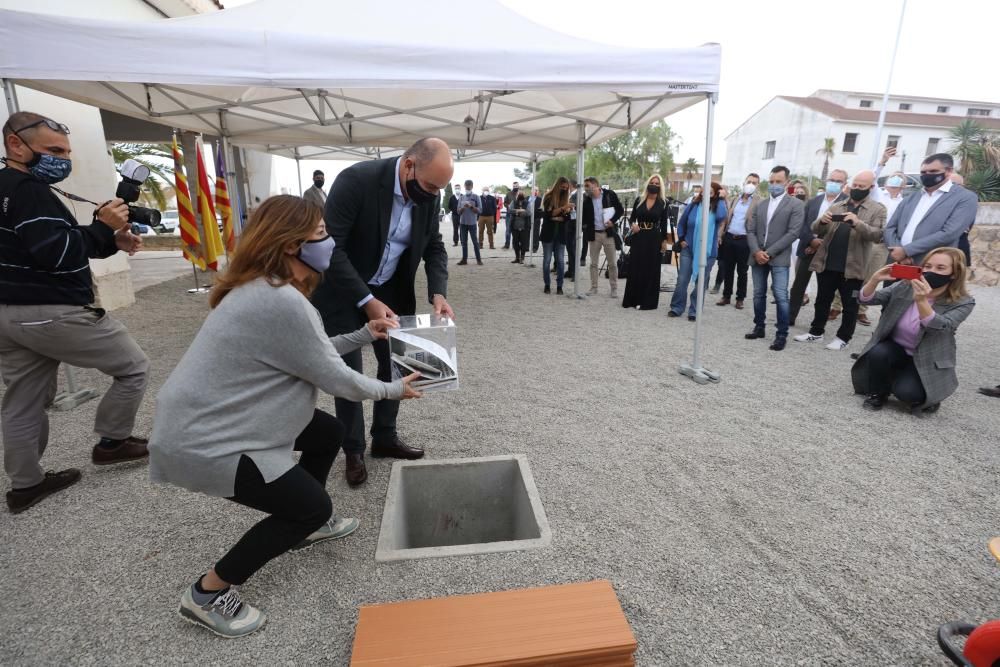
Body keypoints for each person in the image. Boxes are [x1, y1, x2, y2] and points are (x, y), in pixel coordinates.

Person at [149, 195, 423, 638]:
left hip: (221, 420)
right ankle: (208, 593)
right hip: (206, 439)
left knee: (327, 431)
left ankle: (304, 525)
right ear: (291, 245)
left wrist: (361, 333)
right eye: (320, 235)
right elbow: (340, 381)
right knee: (311, 508)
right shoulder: (280, 299)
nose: (329, 242)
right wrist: (395, 389)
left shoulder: (269, 288)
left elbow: (307, 355)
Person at [0, 111, 149, 514]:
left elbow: (49, 245)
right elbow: (58, 254)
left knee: (23, 401)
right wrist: (103, 224)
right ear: (16, 144)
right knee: (133, 367)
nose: (63, 159)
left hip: (9, 314)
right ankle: (113, 443)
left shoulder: (7, 186)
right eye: (54, 150)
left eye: (66, 151)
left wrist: (110, 239)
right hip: (52, 312)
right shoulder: (29, 190)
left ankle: (25, 485)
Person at [312, 138, 454, 487]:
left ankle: (385, 436)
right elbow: (333, 249)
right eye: (431, 186)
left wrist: (438, 291)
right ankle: (353, 449)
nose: (435, 195)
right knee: (349, 373)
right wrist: (365, 299)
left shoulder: (429, 194)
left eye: (441, 189)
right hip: (345, 292)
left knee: (396, 365)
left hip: (392, 290)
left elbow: (434, 245)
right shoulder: (355, 181)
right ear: (408, 166)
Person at [851, 247, 974, 414]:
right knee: (878, 352)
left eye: (940, 268)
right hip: (896, 349)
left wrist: (922, 301)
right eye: (928, 266)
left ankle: (923, 392)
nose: (931, 271)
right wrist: (874, 279)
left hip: (926, 357)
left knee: (908, 394)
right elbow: (867, 299)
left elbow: (941, 327)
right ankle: (878, 393)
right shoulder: (905, 285)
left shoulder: (963, 302)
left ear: (954, 273)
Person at [792, 170, 886, 351]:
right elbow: (815, 228)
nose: (857, 189)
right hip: (828, 262)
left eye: (862, 186)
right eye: (855, 185)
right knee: (822, 299)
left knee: (850, 304)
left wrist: (857, 223)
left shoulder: (878, 209)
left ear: (871, 188)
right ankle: (816, 332)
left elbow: (877, 235)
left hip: (854, 266)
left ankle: (844, 337)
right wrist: (823, 221)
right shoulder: (838, 205)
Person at [745, 165, 805, 351]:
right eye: (771, 181)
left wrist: (769, 253)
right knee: (758, 294)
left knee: (780, 296)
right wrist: (756, 252)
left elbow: (793, 232)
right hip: (757, 257)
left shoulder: (795, 205)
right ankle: (759, 326)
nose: (774, 185)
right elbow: (751, 230)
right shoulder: (760, 204)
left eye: (778, 181)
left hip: (778, 258)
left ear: (787, 182)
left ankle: (781, 334)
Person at [883, 153, 978, 267]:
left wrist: (907, 251)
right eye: (923, 172)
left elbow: (949, 233)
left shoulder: (965, 198)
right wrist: (897, 251)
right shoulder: (911, 198)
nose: (927, 175)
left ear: (948, 171)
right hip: (898, 263)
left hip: (932, 266)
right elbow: (890, 227)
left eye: (933, 171)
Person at [789, 169, 848, 326]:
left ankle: (817, 324)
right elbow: (802, 225)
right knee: (798, 286)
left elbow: (842, 230)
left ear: (844, 184)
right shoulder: (814, 201)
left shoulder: (847, 203)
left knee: (825, 290)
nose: (834, 183)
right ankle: (789, 317)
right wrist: (811, 241)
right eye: (832, 179)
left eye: (838, 181)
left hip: (830, 253)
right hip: (807, 249)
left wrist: (819, 244)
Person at [669, 182, 728, 320]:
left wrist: (721, 199)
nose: (706, 194)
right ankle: (677, 307)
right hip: (688, 249)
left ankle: (694, 311)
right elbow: (682, 223)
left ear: (716, 194)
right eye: (704, 191)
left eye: (711, 192)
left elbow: (721, 217)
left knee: (701, 282)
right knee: (682, 279)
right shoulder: (693, 206)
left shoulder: (718, 207)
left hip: (708, 252)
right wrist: (682, 238)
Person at [622, 174, 670, 310]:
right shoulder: (639, 200)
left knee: (650, 269)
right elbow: (631, 219)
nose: (654, 185)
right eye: (652, 182)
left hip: (654, 237)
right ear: (648, 183)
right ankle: (631, 299)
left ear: (660, 186)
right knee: (635, 266)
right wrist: (633, 225)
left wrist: (664, 241)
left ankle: (646, 301)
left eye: (657, 183)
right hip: (639, 236)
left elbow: (664, 224)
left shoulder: (663, 203)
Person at [715, 173, 760, 309]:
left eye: (754, 182)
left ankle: (740, 298)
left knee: (742, 271)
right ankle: (726, 296)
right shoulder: (735, 200)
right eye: (749, 181)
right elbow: (727, 218)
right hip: (729, 237)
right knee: (727, 269)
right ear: (744, 182)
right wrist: (720, 235)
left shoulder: (759, 202)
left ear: (757, 185)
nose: (750, 184)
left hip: (745, 240)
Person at [581, 176, 624, 297]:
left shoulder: (609, 195)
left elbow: (620, 210)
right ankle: (594, 287)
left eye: (587, 186)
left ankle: (614, 288)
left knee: (612, 264)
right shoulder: (587, 200)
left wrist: (613, 221)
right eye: (585, 186)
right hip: (594, 234)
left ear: (595, 185)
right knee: (593, 263)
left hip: (608, 234)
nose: (586, 189)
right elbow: (584, 217)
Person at [540, 177, 572, 295]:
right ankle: (547, 284)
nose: (564, 190)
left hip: (561, 235)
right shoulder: (548, 197)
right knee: (547, 260)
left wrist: (559, 216)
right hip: (548, 234)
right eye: (562, 187)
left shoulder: (566, 199)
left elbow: (567, 218)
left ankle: (559, 286)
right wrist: (563, 209)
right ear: (557, 186)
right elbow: (548, 215)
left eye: (566, 188)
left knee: (560, 261)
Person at [456, 180, 482, 266]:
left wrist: (471, 206)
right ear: (464, 186)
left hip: (472, 224)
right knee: (464, 242)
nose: (468, 188)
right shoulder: (461, 197)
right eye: (466, 186)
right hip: (463, 223)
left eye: (469, 186)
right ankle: (464, 259)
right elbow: (458, 211)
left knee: (475, 242)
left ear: (472, 186)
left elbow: (480, 210)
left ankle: (479, 259)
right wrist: (463, 208)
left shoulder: (476, 197)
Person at [509, 192, 532, 264]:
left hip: (524, 226)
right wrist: (519, 211)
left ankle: (522, 258)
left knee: (524, 243)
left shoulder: (527, 203)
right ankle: (517, 257)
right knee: (515, 242)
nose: (520, 196)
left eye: (522, 194)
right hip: (514, 226)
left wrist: (517, 212)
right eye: (519, 194)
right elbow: (510, 210)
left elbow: (529, 212)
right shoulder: (513, 202)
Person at [502, 181, 520, 250]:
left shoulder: (520, 193)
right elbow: (505, 203)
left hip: (517, 215)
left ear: (518, 186)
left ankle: (515, 245)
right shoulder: (508, 194)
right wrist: (508, 206)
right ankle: (507, 245)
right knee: (508, 230)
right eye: (514, 186)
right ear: (512, 186)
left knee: (516, 231)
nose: (515, 187)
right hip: (509, 214)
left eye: (516, 186)